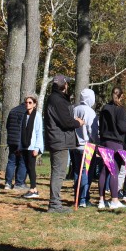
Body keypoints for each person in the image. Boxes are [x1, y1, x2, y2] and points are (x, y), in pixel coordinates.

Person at [44, 75, 84, 213]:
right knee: (59, 172)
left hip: (57, 139)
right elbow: (66, 122)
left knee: (58, 171)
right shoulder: (58, 100)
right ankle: (54, 204)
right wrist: (78, 122)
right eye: (67, 84)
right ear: (64, 85)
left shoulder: (54, 98)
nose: (68, 86)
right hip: (59, 140)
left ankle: (55, 203)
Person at [97, 87, 126, 209]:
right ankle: (114, 200)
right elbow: (121, 127)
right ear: (121, 96)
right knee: (113, 170)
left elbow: (101, 126)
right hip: (115, 142)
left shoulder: (104, 108)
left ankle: (101, 200)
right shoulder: (120, 109)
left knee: (104, 170)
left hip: (104, 141)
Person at [72, 88, 99, 208]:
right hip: (87, 146)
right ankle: (83, 198)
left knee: (77, 171)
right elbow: (92, 130)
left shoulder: (75, 109)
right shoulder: (90, 112)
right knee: (86, 172)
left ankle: (77, 197)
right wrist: (96, 142)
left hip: (75, 145)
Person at [19, 94, 45, 199]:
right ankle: (33, 189)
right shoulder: (24, 116)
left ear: (34, 104)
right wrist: (20, 146)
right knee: (28, 168)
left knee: (31, 167)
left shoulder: (37, 116)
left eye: (30, 102)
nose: (27, 104)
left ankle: (33, 189)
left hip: (32, 146)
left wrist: (37, 148)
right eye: (26, 102)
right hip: (24, 145)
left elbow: (39, 132)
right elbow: (21, 131)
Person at [3, 100, 28, 191]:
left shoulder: (13, 110)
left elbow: (7, 125)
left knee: (11, 161)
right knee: (23, 161)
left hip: (12, 140)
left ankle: (8, 183)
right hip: (21, 140)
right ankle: (19, 183)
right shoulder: (27, 111)